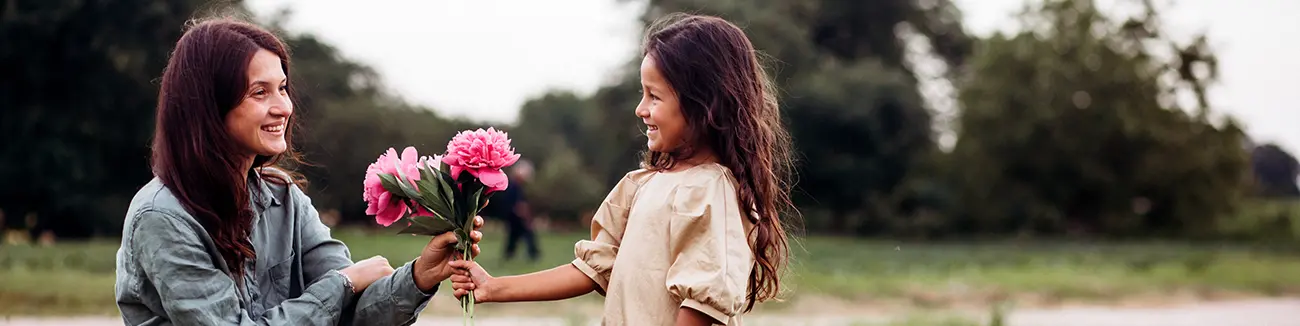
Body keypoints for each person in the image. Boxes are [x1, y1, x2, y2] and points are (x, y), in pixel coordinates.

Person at [113, 17, 482, 326]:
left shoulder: (284, 197)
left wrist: (421, 274)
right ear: (210, 108)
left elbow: (353, 312)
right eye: (260, 92)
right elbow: (339, 290)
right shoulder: (162, 217)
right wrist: (342, 284)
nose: (283, 107)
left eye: (283, 88)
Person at [448, 13, 797, 325]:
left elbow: (702, 306)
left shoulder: (710, 190)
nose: (640, 109)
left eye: (654, 96)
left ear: (703, 104)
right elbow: (591, 268)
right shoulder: (640, 185)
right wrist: (493, 287)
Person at [482, 160, 540, 262]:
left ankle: (511, 254)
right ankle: (532, 254)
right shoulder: (513, 186)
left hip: (513, 216)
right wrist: (522, 213)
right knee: (526, 234)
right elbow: (514, 203)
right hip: (514, 216)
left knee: (514, 236)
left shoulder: (515, 186)